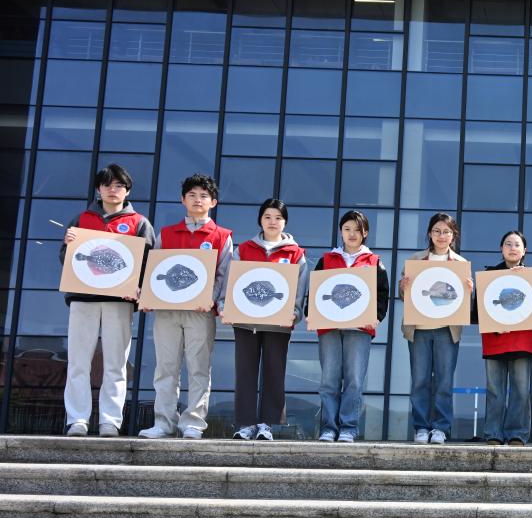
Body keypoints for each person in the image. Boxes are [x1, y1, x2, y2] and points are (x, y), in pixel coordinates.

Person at [59, 163, 156, 437]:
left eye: (119, 185)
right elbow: (66, 259)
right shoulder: (80, 220)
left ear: (128, 191)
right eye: (107, 185)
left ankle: (109, 421)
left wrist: (138, 288)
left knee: (116, 363)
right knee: (78, 362)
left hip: (119, 302)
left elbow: (148, 262)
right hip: (83, 299)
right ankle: (77, 419)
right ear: (98, 189)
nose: (113, 190)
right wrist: (68, 245)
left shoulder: (139, 223)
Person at [138, 173, 232, 441]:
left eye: (203, 195)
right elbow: (155, 271)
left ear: (213, 202)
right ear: (183, 199)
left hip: (200, 312)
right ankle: (164, 422)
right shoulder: (166, 234)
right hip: (167, 311)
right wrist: (148, 296)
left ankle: (194, 422)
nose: (198, 200)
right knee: (165, 367)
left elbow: (224, 274)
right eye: (192, 195)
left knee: (199, 367)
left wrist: (211, 299)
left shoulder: (221, 236)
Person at [223, 198, 308, 442]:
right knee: (245, 371)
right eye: (268, 217)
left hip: (279, 322)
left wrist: (295, 312)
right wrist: (226, 306)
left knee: (274, 371)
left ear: (285, 222)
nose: (273, 222)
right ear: (260, 220)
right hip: (245, 321)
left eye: (278, 218)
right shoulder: (244, 249)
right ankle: (246, 424)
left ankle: (266, 425)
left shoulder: (295, 253)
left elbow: (300, 287)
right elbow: (231, 281)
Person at [314, 210, 389, 443]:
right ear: (341, 232)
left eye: (357, 229)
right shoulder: (327, 260)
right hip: (329, 328)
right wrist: (310, 314)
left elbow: (382, 295)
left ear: (365, 233)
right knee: (329, 379)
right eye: (347, 229)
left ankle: (348, 427)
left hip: (359, 329)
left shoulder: (374, 262)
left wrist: (376, 317)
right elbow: (315, 291)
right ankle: (329, 427)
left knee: (354, 379)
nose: (352, 234)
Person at [400, 212, 468, 445]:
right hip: (418, 328)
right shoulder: (416, 260)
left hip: (447, 330)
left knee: (444, 381)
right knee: (419, 380)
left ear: (453, 235)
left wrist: (469, 290)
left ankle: (440, 428)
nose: (441, 235)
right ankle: (420, 427)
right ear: (429, 233)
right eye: (437, 231)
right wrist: (403, 287)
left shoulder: (461, 264)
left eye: (446, 231)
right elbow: (404, 296)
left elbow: (464, 301)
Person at [479, 230, 532, 446]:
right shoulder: (489, 275)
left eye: (517, 244)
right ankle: (493, 433)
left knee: (520, 390)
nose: (512, 248)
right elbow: (481, 306)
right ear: (501, 249)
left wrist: (528, 279)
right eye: (508, 244)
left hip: (522, 340)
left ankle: (517, 434)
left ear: (524, 251)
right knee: (495, 390)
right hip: (495, 338)